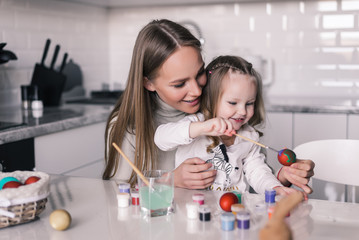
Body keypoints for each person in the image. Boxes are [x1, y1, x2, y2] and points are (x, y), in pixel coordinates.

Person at [103, 19, 314, 193]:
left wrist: (282, 179)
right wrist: (170, 180)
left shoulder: (219, 108)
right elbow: (114, 195)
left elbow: (250, 172)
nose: (196, 90)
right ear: (148, 82)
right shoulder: (129, 127)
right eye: (179, 84)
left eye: (200, 73)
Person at [155, 55, 299, 195]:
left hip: (232, 211)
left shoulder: (248, 136)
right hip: (191, 211)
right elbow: (161, 138)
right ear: (211, 100)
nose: (242, 111)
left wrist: (274, 188)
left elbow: (258, 171)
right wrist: (201, 128)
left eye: (249, 103)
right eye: (233, 103)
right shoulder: (197, 124)